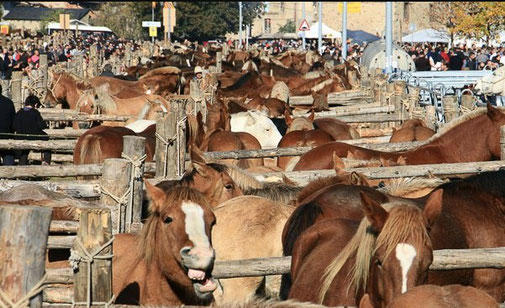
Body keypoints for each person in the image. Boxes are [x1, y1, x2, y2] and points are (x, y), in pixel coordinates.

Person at [12, 95, 51, 165]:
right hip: (34, 137)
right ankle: (46, 160)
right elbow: (41, 126)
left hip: (21, 138)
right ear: (35, 104)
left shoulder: (19, 113)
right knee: (46, 142)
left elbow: (14, 126)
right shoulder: (35, 113)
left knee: (24, 153)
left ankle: (22, 164)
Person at [0, 84, 15, 165]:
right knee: (8, 154)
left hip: (5, 133)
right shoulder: (9, 102)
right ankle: (9, 172)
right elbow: (13, 120)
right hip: (6, 134)